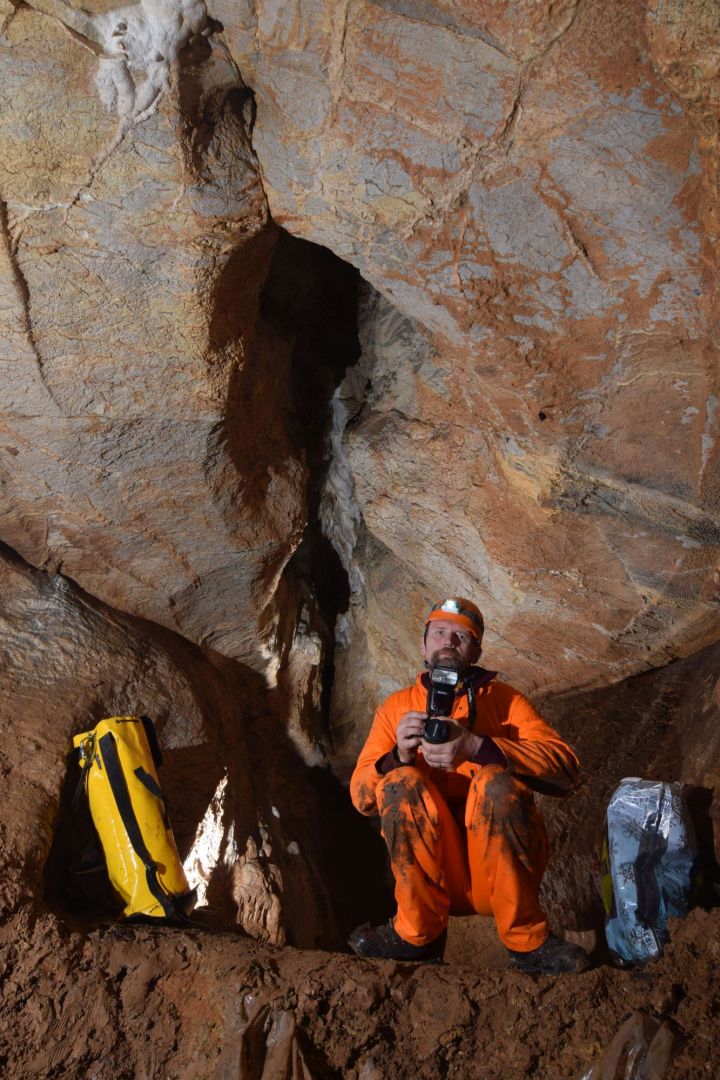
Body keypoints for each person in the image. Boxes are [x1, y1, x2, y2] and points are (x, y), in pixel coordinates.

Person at [348, 597, 590, 974]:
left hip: (495, 872)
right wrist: (399, 757)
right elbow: (361, 798)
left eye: (462, 636)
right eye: (440, 633)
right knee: (400, 783)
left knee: (495, 783)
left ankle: (527, 942)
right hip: (435, 870)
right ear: (424, 645)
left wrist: (479, 747)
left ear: (475, 651)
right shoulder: (397, 709)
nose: (449, 641)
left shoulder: (504, 701)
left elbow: (566, 768)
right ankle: (416, 937)